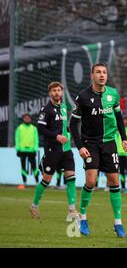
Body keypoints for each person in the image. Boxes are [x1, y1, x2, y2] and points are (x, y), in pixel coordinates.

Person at [69, 63, 127, 238]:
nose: (102, 75)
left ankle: (118, 222)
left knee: (114, 181)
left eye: (104, 72)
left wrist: (124, 139)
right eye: (98, 72)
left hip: (110, 143)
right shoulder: (83, 97)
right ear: (91, 75)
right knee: (91, 181)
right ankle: (83, 218)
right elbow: (73, 124)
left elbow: (118, 118)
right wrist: (80, 147)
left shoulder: (113, 94)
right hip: (91, 144)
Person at [30, 82, 78, 220]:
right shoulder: (46, 109)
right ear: (50, 93)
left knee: (71, 178)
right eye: (54, 91)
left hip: (66, 149)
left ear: (62, 92)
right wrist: (56, 136)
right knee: (46, 180)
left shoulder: (63, 107)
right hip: (53, 149)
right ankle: (34, 205)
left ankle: (71, 210)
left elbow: (63, 126)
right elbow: (41, 129)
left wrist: (69, 133)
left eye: (59, 90)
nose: (57, 93)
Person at [15, 113, 40, 188]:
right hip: (22, 150)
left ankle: (37, 182)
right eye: (25, 118)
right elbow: (17, 139)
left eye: (28, 118)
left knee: (34, 167)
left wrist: (35, 149)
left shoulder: (34, 128)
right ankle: (25, 182)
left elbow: (36, 139)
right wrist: (18, 149)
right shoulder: (20, 128)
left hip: (31, 150)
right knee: (23, 167)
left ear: (30, 119)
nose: (27, 119)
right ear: (23, 119)